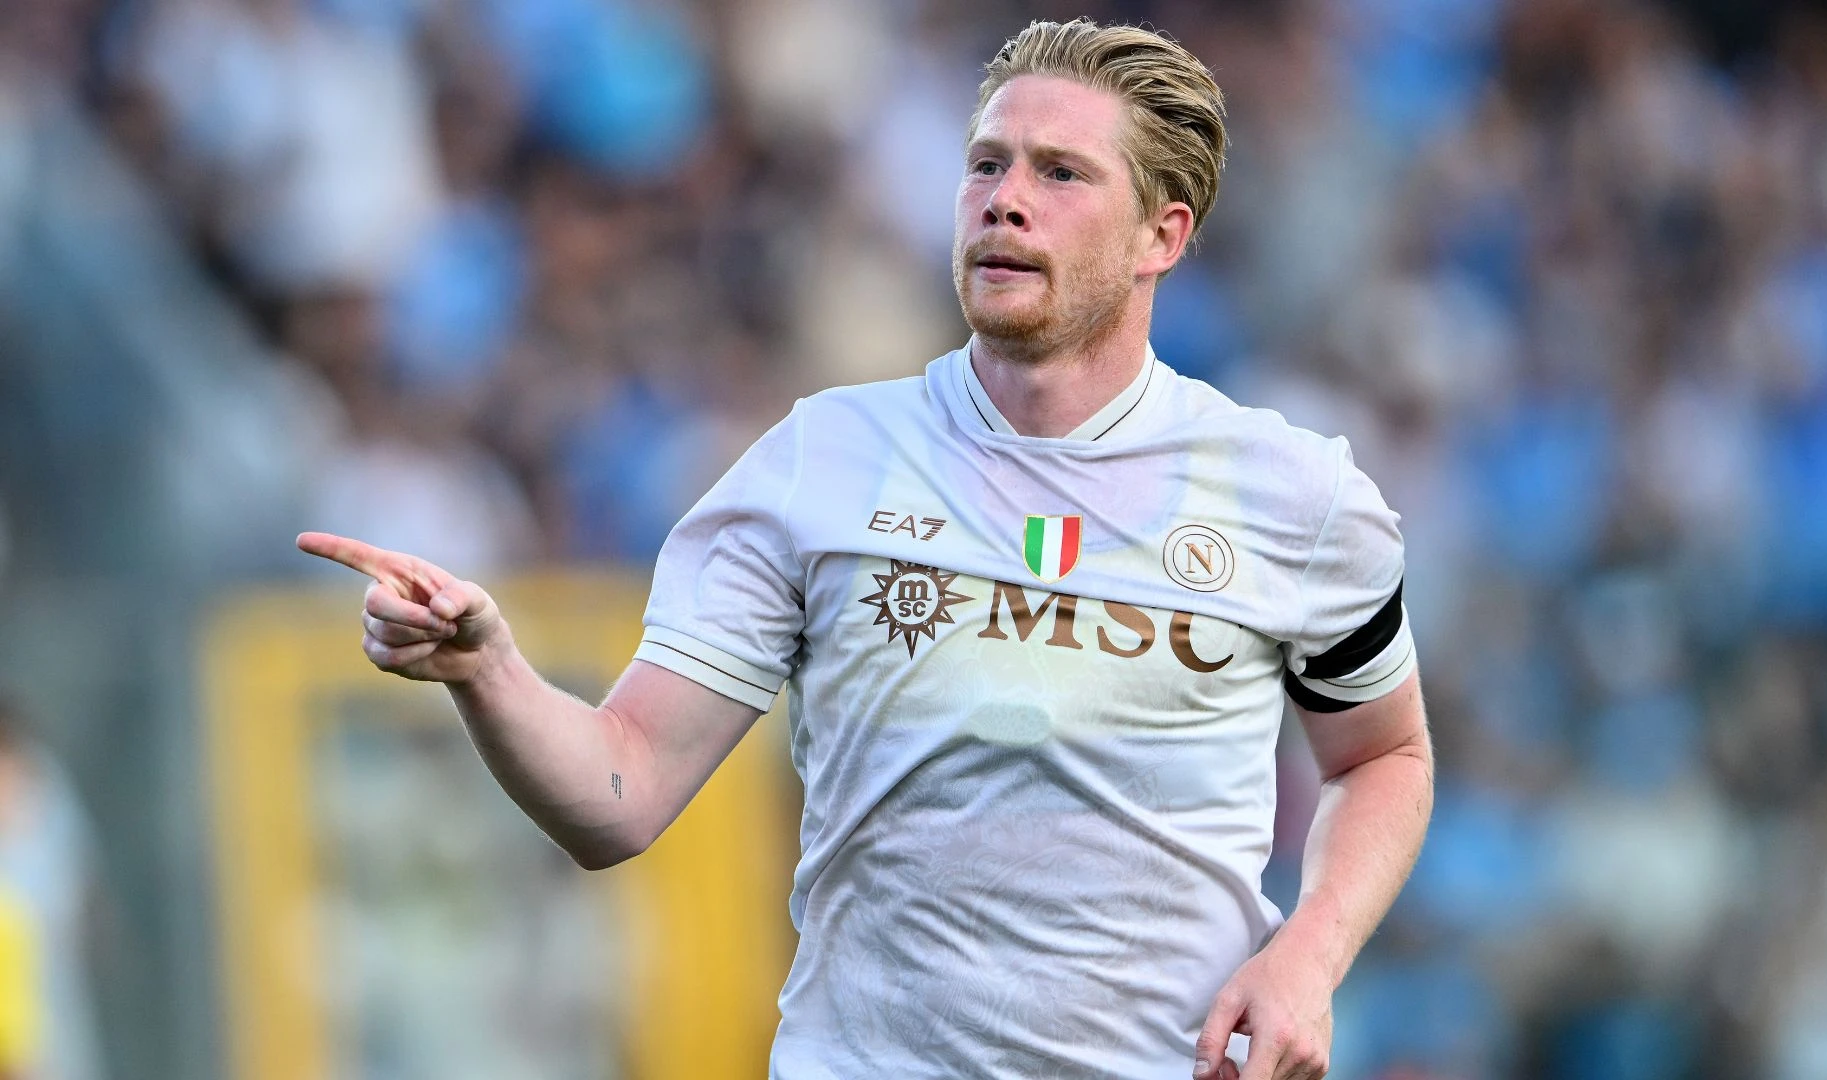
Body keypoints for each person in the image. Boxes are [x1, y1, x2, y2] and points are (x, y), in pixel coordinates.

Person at [298, 19, 1432, 1080]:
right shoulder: (820, 462)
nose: (1005, 201)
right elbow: (622, 790)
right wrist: (489, 671)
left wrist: (1309, 956)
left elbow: (1382, 756)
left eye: (1060, 174)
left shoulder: (1293, 496)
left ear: (1160, 237)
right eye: (986, 165)